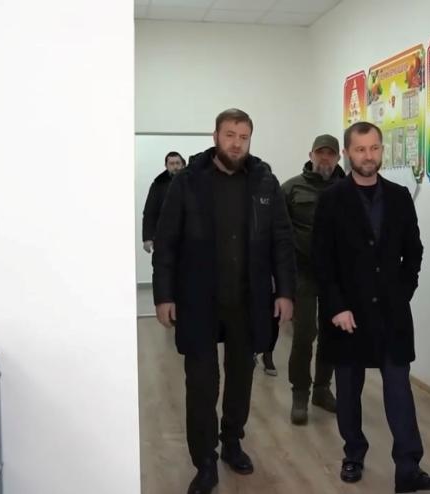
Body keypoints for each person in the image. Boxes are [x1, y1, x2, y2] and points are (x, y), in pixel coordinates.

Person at [152, 108, 296, 494]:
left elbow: (282, 240)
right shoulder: (188, 182)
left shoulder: (264, 181)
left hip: (247, 300)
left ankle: (232, 442)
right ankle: (204, 462)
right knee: (201, 385)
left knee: (240, 379)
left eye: (243, 137)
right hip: (198, 299)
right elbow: (166, 241)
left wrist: (285, 291)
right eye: (230, 135)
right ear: (215, 136)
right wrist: (164, 294)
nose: (236, 143)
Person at [312, 121, 430, 492]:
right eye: (360, 149)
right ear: (347, 153)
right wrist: (336, 307)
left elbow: (413, 252)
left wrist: (402, 293)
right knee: (349, 390)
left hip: (391, 313)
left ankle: (408, 468)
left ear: (381, 150)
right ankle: (353, 454)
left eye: (374, 148)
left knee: (399, 390)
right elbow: (321, 260)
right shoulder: (332, 199)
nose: (368, 156)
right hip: (347, 314)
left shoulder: (399, 196)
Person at [281, 133, 345, 425]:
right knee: (305, 334)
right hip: (302, 273)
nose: (325, 158)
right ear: (311, 155)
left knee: (332, 334)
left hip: (336, 276)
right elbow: (279, 235)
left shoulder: (348, 188)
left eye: (330, 153)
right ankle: (300, 393)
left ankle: (322, 389)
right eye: (320, 153)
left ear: (338, 157)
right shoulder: (291, 188)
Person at [142, 151, 186, 253]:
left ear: (183, 164)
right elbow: (150, 212)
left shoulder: (192, 182)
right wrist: (147, 238)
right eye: (171, 164)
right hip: (164, 236)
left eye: (177, 163)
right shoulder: (158, 185)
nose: (175, 167)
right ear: (166, 166)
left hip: (187, 236)